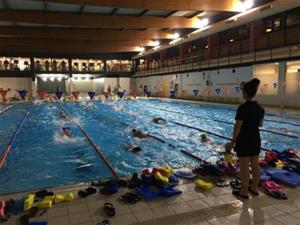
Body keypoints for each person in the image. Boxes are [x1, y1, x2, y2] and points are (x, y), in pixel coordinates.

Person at [231, 78, 264, 199]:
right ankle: (254, 188)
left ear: (245, 93)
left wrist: (233, 140)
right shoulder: (260, 108)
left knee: (244, 166)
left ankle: (244, 191)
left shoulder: (242, 108)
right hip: (255, 139)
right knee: (255, 165)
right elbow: (260, 124)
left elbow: (237, 125)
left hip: (244, 140)